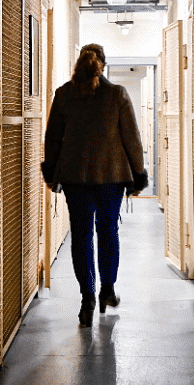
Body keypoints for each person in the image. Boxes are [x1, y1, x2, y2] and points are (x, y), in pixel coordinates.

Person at [42, 44, 149, 327]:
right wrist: (139, 174)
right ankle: (108, 290)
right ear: (102, 65)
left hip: (76, 178)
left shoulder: (64, 95)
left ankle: (87, 296)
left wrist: (51, 173)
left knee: (81, 237)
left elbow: (52, 138)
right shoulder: (117, 95)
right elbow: (132, 139)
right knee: (107, 232)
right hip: (111, 177)